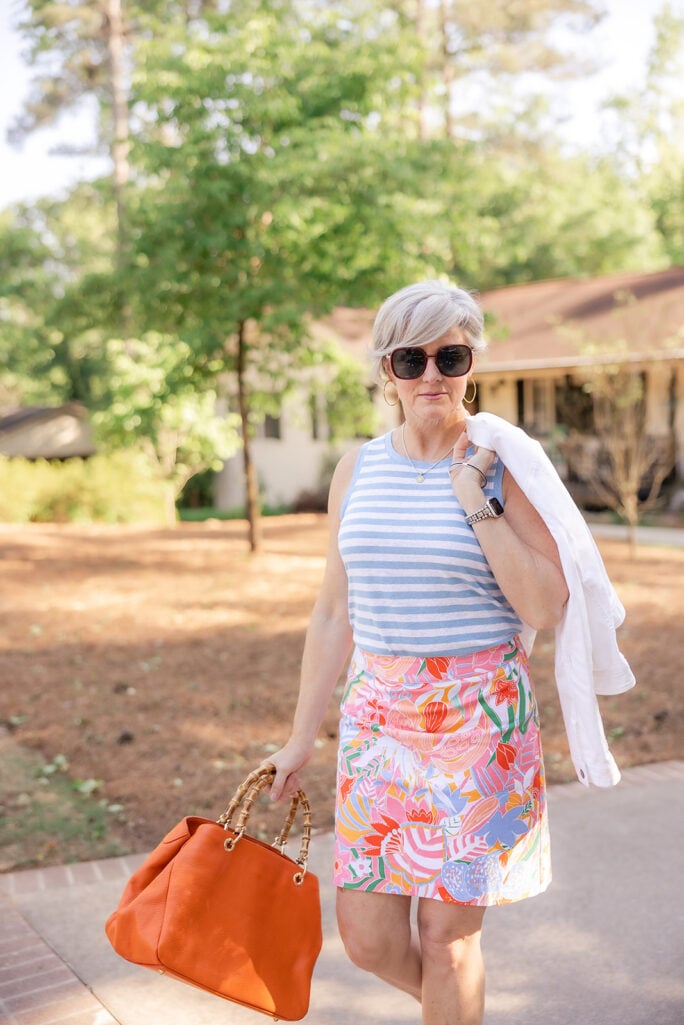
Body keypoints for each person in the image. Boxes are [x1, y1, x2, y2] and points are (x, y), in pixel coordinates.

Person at [264, 279, 571, 1025]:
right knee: (367, 939)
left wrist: (475, 497)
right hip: (379, 727)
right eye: (412, 358)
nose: (432, 374)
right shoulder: (357, 468)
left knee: (447, 941)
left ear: (471, 365)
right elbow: (335, 610)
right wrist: (302, 734)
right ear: (386, 371)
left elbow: (546, 606)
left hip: (477, 729)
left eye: (451, 354)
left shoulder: (503, 464)